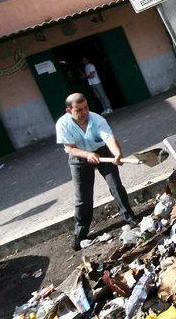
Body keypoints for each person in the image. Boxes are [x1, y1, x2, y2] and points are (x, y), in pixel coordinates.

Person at [56, 93, 136, 251]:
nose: (84, 112)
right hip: (79, 158)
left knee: (115, 185)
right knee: (82, 198)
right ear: (68, 111)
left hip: (102, 152)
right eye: (78, 110)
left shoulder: (98, 119)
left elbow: (109, 139)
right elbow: (70, 148)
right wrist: (87, 155)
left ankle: (131, 219)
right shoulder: (62, 124)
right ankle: (80, 234)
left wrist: (117, 154)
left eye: (85, 107)